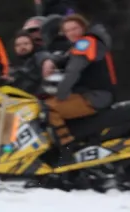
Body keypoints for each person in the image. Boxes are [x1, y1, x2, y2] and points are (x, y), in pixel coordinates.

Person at [40, 13, 117, 155]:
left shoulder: (86, 43)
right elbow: (66, 59)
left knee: (49, 109)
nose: (71, 33)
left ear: (83, 27)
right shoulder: (88, 43)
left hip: (96, 95)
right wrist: (52, 61)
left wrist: (60, 95)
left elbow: (73, 71)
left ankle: (67, 149)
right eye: (67, 31)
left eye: (75, 29)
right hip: (94, 93)